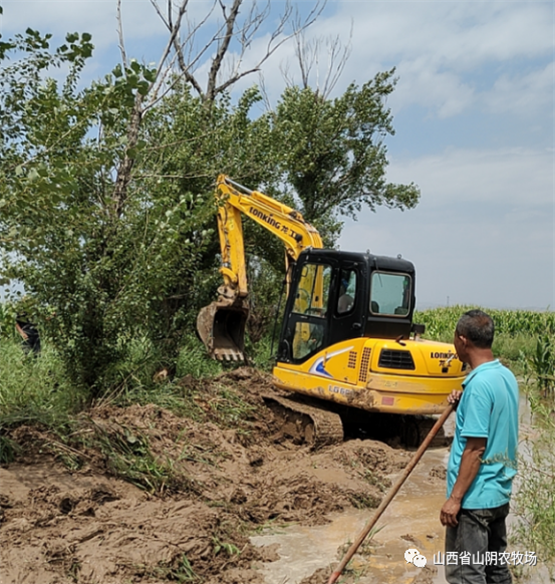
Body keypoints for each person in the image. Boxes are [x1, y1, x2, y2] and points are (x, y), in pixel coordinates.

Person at [440, 310, 519, 584]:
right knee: (496, 572)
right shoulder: (504, 376)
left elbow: (475, 449)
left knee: (466, 575)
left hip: (474, 500)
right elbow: (493, 422)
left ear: (463, 340)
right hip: (498, 494)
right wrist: (464, 403)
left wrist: (455, 499)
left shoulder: (479, 385)